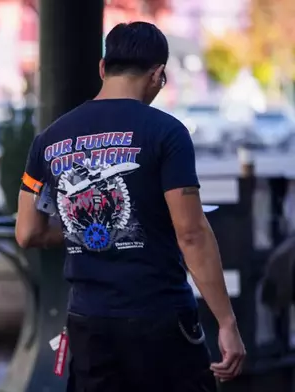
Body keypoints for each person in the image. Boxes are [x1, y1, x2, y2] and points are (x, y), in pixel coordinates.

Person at [15, 21, 245, 392]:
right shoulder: (166, 132)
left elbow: (27, 233)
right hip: (158, 316)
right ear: (158, 76)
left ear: (103, 69)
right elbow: (190, 232)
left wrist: (89, 231)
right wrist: (227, 323)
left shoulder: (49, 139)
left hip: (89, 321)